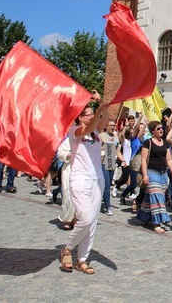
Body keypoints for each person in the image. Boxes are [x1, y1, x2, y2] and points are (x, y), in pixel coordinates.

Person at [60, 91, 109, 274]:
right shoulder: (74, 132)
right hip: (80, 178)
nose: (91, 116)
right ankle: (67, 248)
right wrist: (99, 110)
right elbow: (87, 130)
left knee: (93, 221)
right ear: (80, 117)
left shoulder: (96, 132)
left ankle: (82, 259)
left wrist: (102, 102)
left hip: (97, 179)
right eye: (88, 114)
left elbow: (106, 117)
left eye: (91, 114)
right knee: (85, 218)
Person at [136, 120, 172, 233]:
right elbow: (144, 160)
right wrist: (145, 175)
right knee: (157, 197)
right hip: (151, 171)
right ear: (153, 131)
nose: (161, 130)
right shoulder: (147, 142)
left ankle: (145, 217)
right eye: (158, 128)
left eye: (162, 128)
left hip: (163, 173)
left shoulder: (165, 143)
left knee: (152, 197)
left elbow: (168, 159)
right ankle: (157, 223)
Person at [99, 120, 120, 216]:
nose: (112, 127)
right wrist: (106, 145)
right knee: (106, 184)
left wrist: (123, 160)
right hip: (103, 162)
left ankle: (102, 200)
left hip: (112, 162)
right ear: (106, 126)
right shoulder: (101, 136)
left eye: (114, 125)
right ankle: (108, 206)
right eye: (110, 125)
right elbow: (96, 149)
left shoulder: (116, 136)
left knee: (108, 185)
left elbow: (118, 151)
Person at [55, 136, 76, 230]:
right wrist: (70, 154)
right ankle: (68, 219)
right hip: (69, 169)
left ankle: (77, 219)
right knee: (68, 195)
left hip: (84, 171)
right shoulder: (69, 140)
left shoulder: (89, 139)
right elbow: (60, 153)